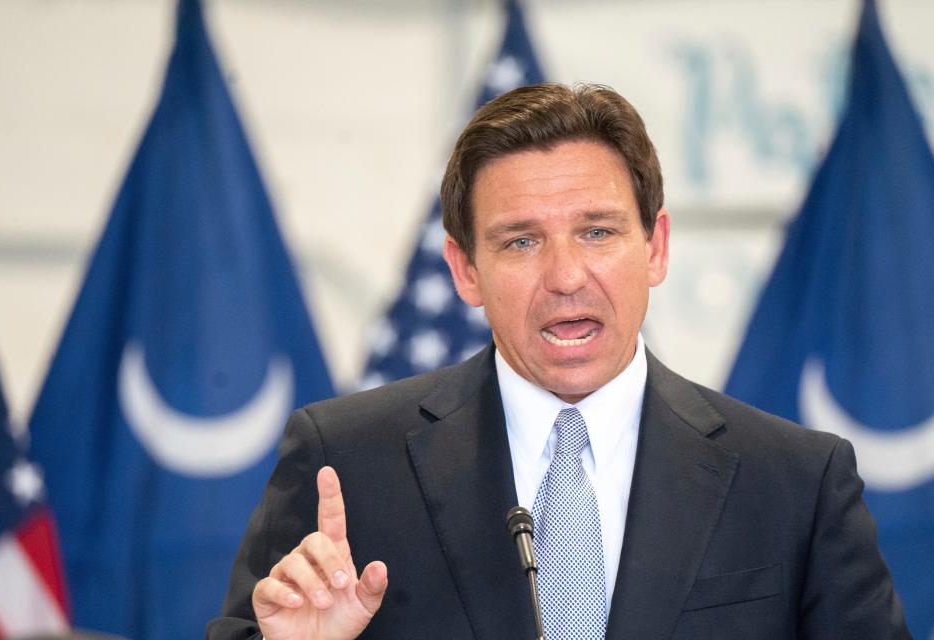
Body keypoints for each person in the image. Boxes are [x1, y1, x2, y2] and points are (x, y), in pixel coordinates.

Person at [207, 83, 911, 640]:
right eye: (520, 242)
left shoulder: (794, 482)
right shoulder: (347, 463)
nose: (566, 275)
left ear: (656, 247)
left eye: (597, 231)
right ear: (465, 270)